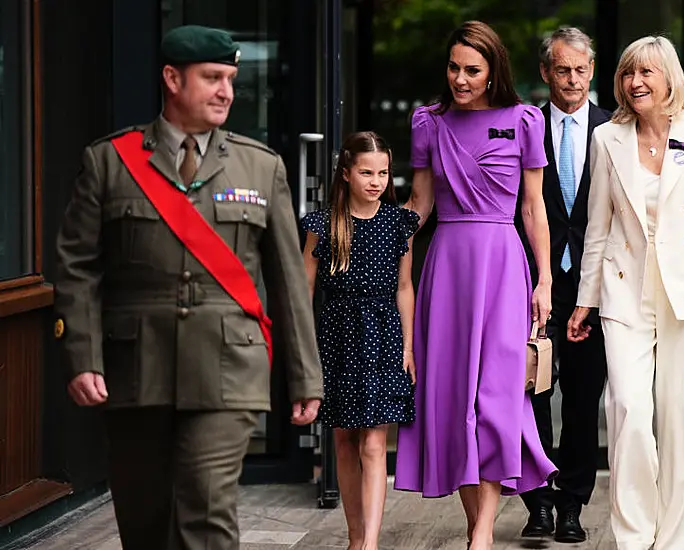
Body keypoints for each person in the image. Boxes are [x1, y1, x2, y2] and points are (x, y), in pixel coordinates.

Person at [53, 25, 323, 550]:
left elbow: (289, 280)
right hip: (136, 366)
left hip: (229, 367)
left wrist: (304, 376)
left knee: (205, 509)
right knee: (144, 516)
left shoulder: (260, 166)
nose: (227, 91)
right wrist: (83, 354)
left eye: (231, 79)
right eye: (213, 78)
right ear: (172, 79)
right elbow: (78, 266)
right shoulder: (109, 161)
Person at [567, 36, 684, 550]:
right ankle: (633, 536)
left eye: (646, 72)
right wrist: (586, 299)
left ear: (670, 78)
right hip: (625, 293)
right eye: (628, 73)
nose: (635, 82)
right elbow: (597, 228)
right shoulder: (608, 137)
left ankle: (677, 541)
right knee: (628, 410)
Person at [394, 20, 558, 550]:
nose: (460, 79)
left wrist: (545, 278)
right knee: (453, 398)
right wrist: (371, 236)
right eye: (453, 68)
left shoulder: (524, 120)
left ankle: (482, 533)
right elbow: (420, 204)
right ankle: (477, 527)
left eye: (472, 70)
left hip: (505, 267)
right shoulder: (429, 121)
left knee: (496, 398)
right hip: (447, 267)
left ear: (493, 73)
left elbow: (534, 208)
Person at [300, 131, 419, 550]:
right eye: (367, 172)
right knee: (343, 438)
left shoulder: (399, 224)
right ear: (347, 172)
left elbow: (405, 287)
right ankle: (354, 538)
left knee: (373, 440)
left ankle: (369, 543)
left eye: (384, 172)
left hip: (383, 336)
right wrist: (304, 355)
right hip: (336, 338)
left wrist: (408, 346)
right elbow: (304, 291)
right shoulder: (324, 224)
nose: (376, 181)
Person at [515, 26, 611, 544]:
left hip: (594, 287)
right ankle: (539, 502)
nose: (572, 79)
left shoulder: (613, 128)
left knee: (581, 397)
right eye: (561, 69)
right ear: (545, 72)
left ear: (591, 71)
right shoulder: (525, 125)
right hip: (533, 281)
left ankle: (573, 502)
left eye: (580, 69)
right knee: (531, 392)